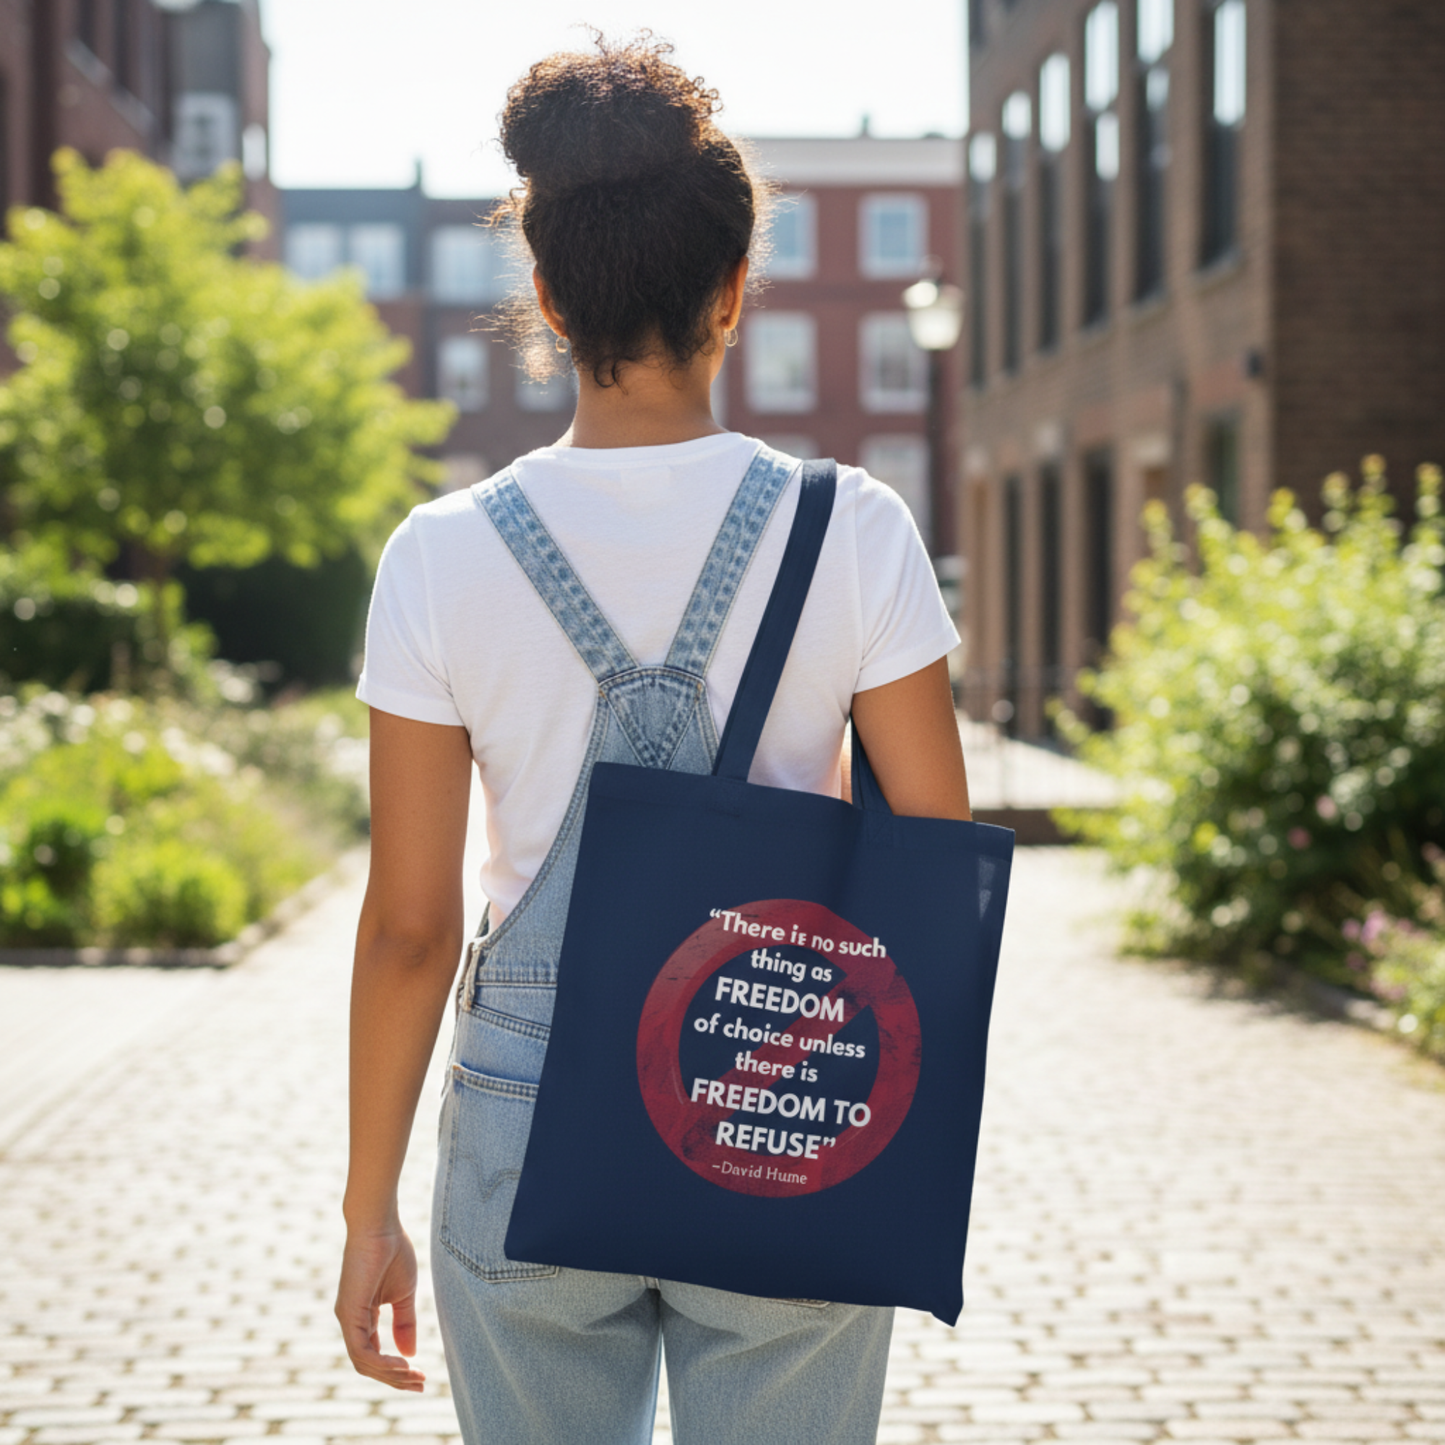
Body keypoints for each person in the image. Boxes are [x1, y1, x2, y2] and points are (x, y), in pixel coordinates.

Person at [335, 33, 972, 1445]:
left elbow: (409, 929)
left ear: (548, 296)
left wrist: (369, 1200)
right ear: (736, 291)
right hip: (780, 1079)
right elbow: (934, 865)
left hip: (525, 1110)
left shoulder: (438, 556)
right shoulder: (855, 531)